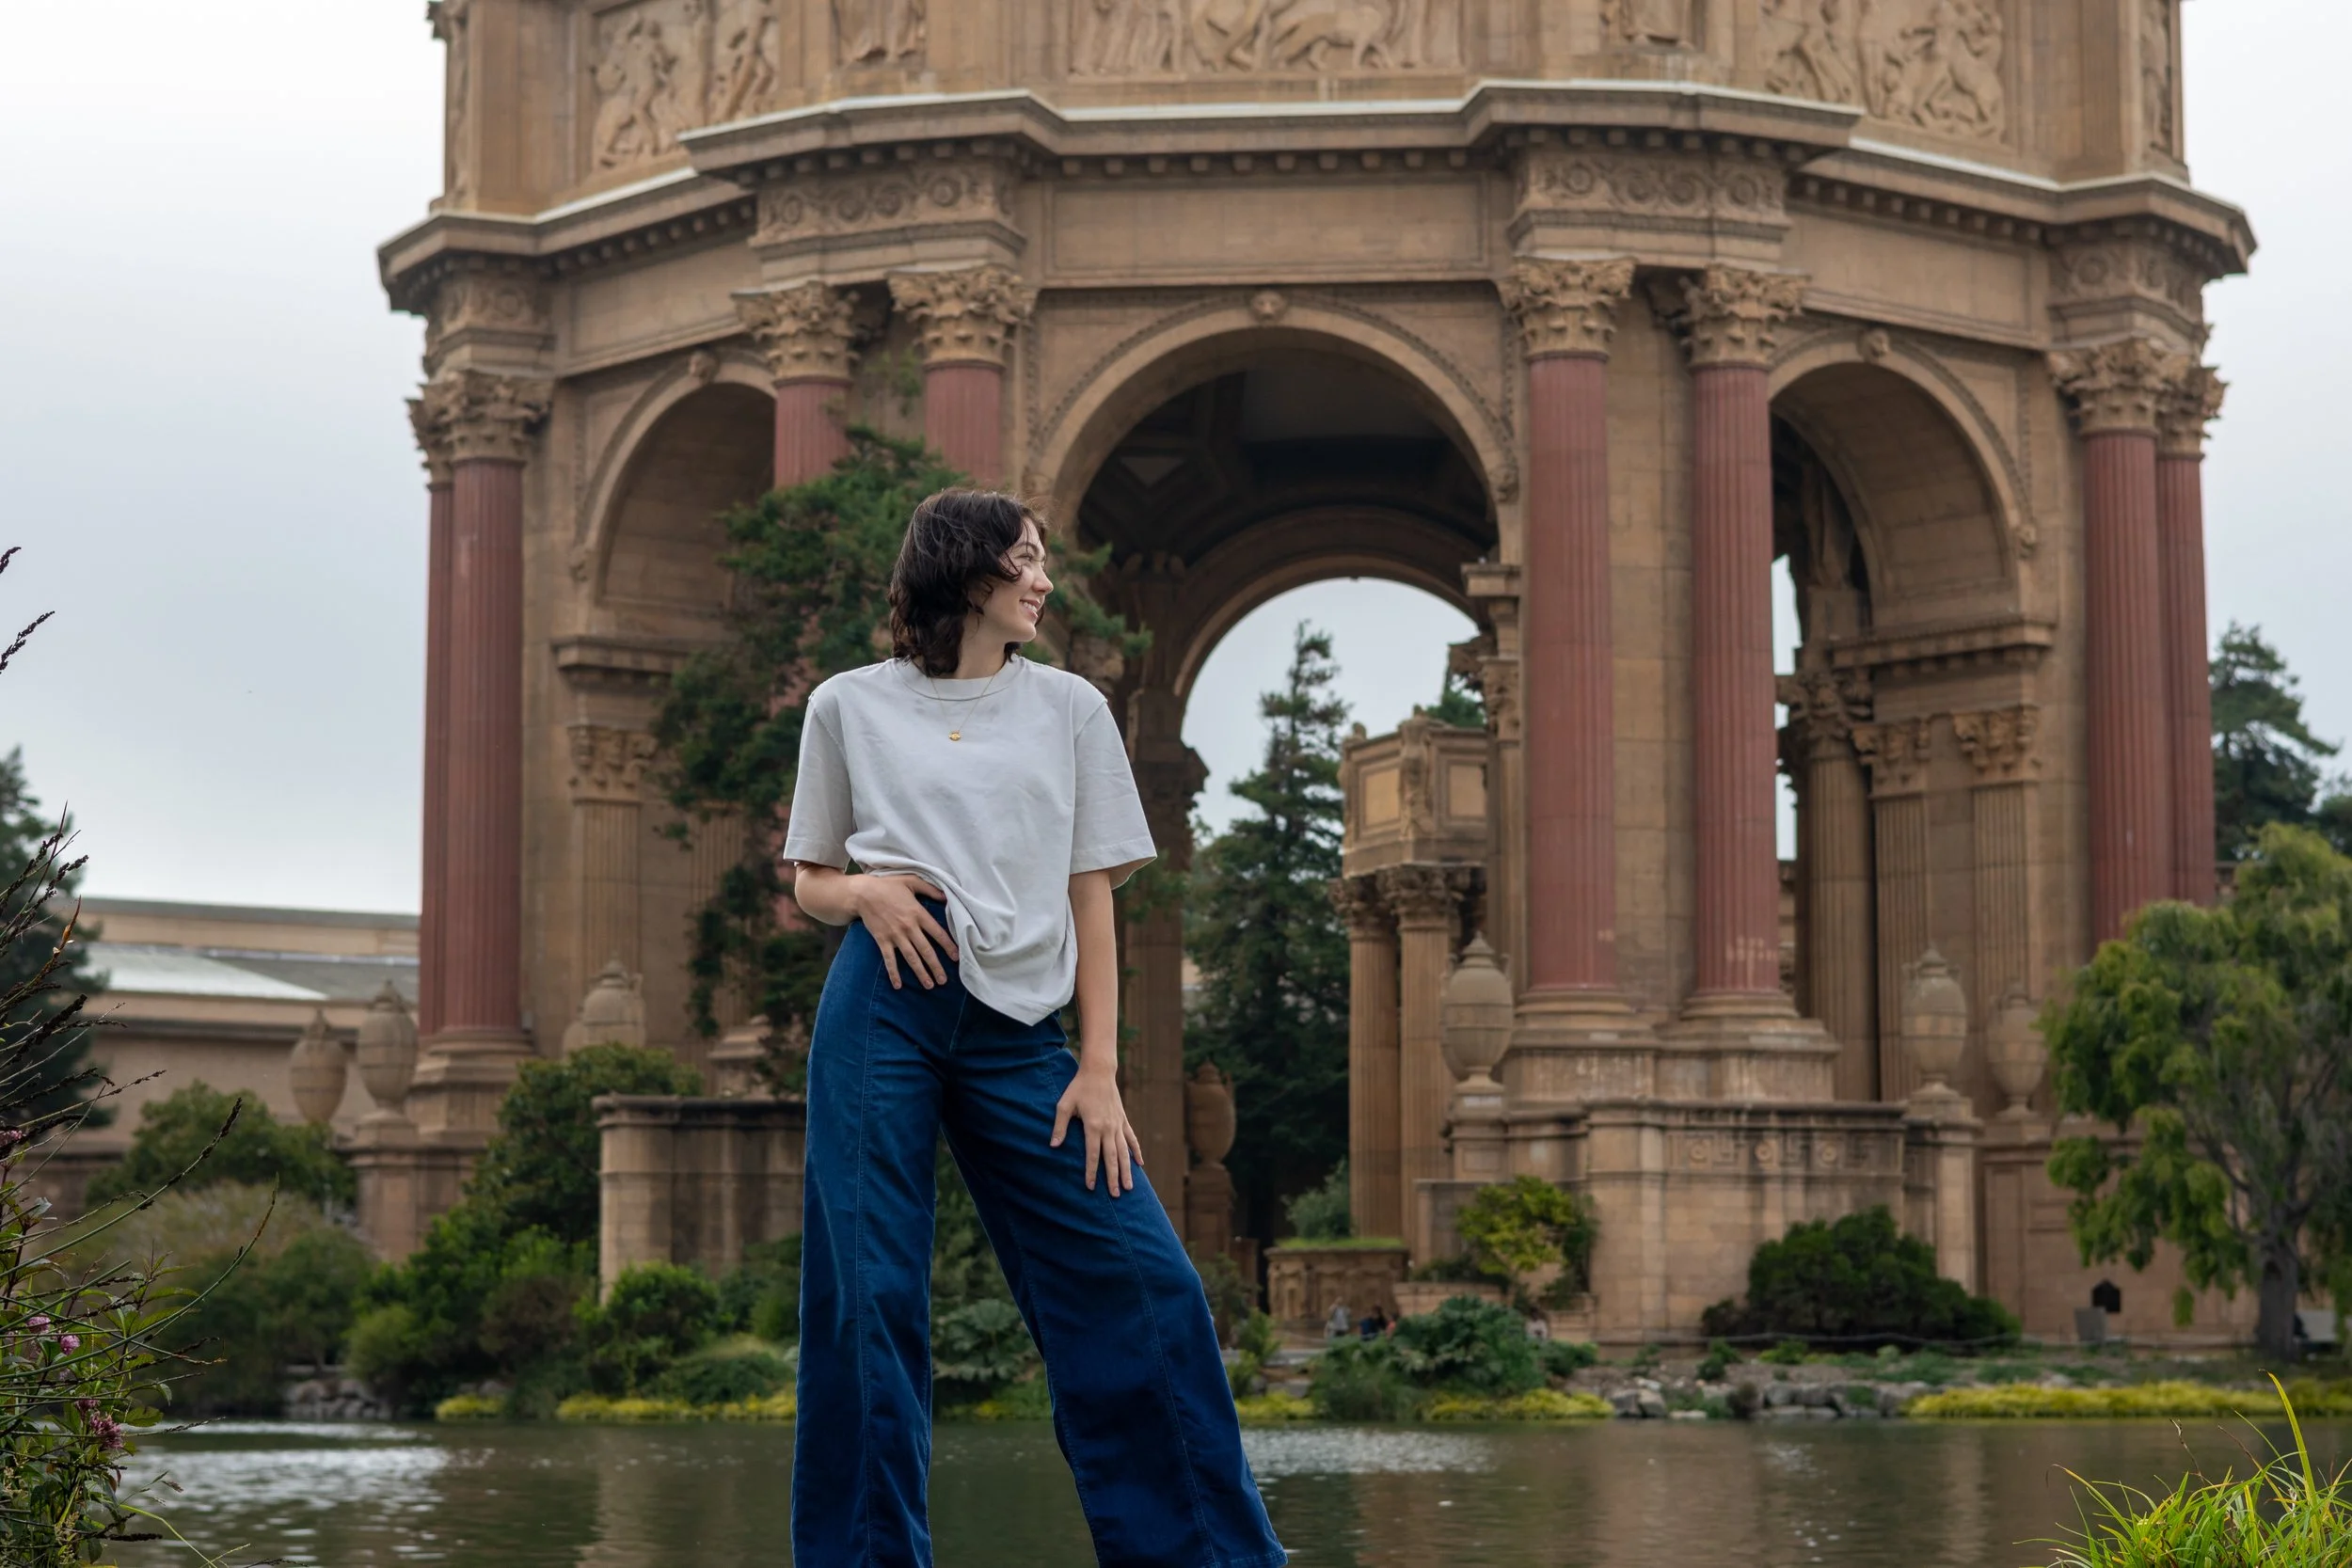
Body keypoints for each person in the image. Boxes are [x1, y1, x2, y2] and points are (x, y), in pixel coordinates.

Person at [783, 489, 1287, 1568]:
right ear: (968, 574)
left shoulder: (1069, 707)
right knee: (865, 1299)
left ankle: (1208, 1555)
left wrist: (1097, 1066)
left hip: (1023, 1026)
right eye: (1024, 558)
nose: (1042, 577)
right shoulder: (848, 704)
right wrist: (865, 895)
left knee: (1147, 1282)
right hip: (886, 997)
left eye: (1043, 557)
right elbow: (812, 878)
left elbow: (1092, 889)